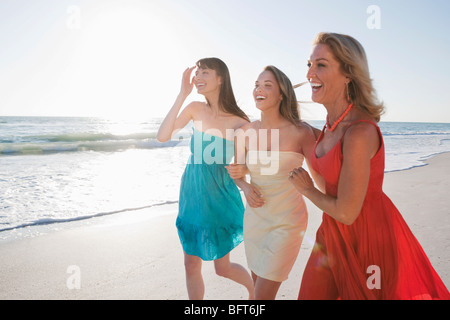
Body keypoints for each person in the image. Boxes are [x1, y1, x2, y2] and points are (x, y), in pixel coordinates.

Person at [289, 32, 450, 300]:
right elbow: (329, 184)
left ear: (348, 73)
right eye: (309, 64)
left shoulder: (359, 132)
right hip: (331, 234)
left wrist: (306, 190)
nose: (310, 74)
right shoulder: (329, 126)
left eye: (321, 65)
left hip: (366, 239)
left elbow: (347, 213)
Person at [157, 57, 254, 300]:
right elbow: (162, 136)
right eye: (197, 72)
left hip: (220, 196)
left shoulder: (240, 122)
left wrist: (244, 175)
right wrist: (182, 94)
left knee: (222, 269)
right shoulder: (194, 108)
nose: (198, 77)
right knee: (190, 264)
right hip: (192, 192)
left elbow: (250, 165)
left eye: (205, 72)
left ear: (220, 79)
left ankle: (256, 293)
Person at [226, 66, 317, 299]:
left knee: (262, 296)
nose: (259, 89)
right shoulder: (246, 132)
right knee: (257, 289)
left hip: (288, 222)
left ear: (282, 94)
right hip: (256, 220)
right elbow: (237, 171)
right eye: (257, 84)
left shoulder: (301, 132)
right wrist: (245, 188)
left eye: (267, 85)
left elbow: (333, 145)